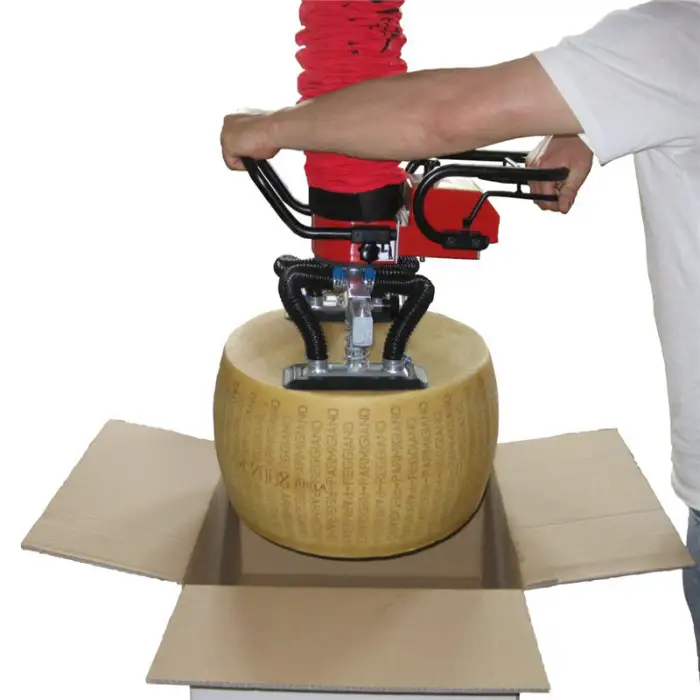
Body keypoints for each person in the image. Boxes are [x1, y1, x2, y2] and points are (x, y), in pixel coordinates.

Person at [221, 0, 700, 669]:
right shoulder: (673, 46)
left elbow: (437, 119)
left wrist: (270, 128)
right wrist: (589, 123)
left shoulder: (676, 35)